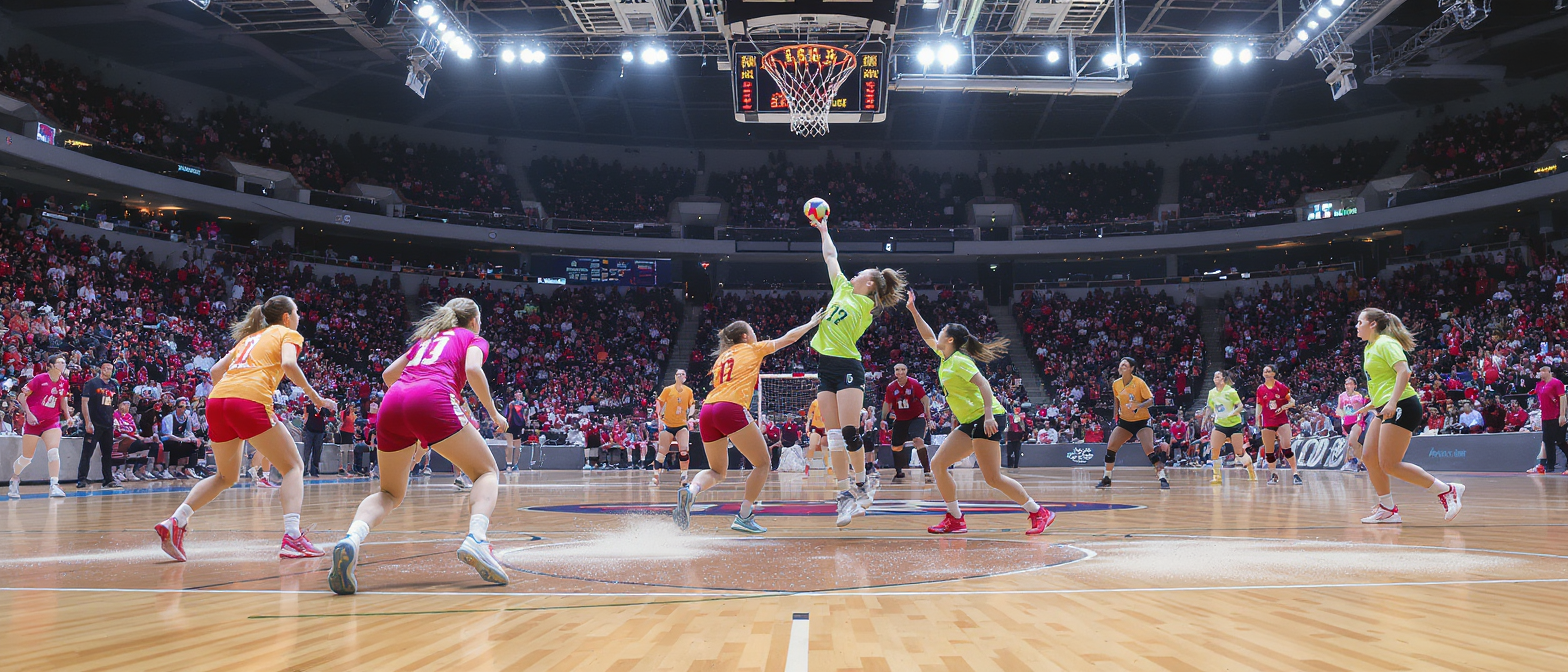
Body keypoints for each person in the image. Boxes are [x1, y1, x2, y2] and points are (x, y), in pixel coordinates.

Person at [329, 298, 510, 594]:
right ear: (474, 320)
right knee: (486, 472)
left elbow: (388, 375)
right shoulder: (473, 338)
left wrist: (416, 427)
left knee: (389, 492)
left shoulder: (427, 339)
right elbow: (474, 370)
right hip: (433, 396)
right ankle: (477, 539)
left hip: (394, 400)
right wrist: (493, 412)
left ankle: (352, 538)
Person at [154, 296, 338, 562]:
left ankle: (176, 520)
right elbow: (288, 365)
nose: (300, 317)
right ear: (286, 317)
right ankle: (292, 537)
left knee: (225, 477)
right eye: (297, 312)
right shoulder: (288, 333)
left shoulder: (249, 339)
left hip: (217, 402)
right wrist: (317, 399)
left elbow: (217, 371)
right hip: (248, 402)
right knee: (294, 467)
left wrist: (232, 400)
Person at [907, 294, 1053, 536]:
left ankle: (1039, 512)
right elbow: (927, 335)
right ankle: (955, 519)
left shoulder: (960, 361)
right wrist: (913, 310)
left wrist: (987, 416)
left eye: (943, 331)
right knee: (938, 464)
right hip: (969, 422)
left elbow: (984, 385)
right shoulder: (945, 357)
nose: (938, 334)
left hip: (987, 418)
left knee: (993, 478)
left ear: (950, 339)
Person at [672, 310, 823, 534]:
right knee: (763, 464)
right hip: (730, 407)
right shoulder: (753, 348)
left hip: (707, 409)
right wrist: (810, 324)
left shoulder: (722, 358)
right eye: (752, 331)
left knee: (717, 470)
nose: (755, 334)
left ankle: (692, 490)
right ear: (745, 336)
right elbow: (789, 339)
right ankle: (744, 516)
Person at [807, 217, 907, 527]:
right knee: (833, 437)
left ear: (870, 284)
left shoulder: (867, 306)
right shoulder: (840, 288)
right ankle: (843, 496)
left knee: (850, 431)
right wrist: (824, 231)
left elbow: (878, 290)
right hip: (826, 367)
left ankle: (865, 482)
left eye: (861, 273)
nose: (854, 274)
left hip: (849, 366)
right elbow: (831, 257)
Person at [1352, 308, 1464, 524]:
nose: (1357, 327)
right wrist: (1371, 405)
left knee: (1390, 464)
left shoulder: (1386, 343)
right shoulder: (1369, 347)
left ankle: (1447, 490)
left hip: (1402, 404)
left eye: (1360, 322)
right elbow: (1383, 382)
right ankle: (1387, 509)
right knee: (1368, 456)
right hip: (1383, 406)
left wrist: (1392, 402)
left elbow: (1404, 372)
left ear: (1372, 324)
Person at [1096, 357, 1168, 490]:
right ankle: (1107, 478)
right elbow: (1116, 402)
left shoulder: (1139, 383)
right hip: (1125, 422)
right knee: (1110, 449)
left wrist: (1138, 405)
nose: (1122, 366)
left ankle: (1162, 477)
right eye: (1121, 365)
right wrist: (1115, 418)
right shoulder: (1116, 384)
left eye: (1125, 365)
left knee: (1149, 451)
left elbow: (1151, 401)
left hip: (1142, 421)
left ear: (1132, 368)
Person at [11, 353, 74, 498]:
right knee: (27, 458)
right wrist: (29, 413)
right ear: (50, 365)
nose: (63, 365)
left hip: (52, 421)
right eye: (59, 363)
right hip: (34, 423)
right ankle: (14, 478)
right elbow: (21, 396)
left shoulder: (64, 382)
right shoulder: (39, 379)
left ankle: (54, 485)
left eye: (64, 363)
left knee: (53, 452)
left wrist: (68, 416)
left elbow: (63, 400)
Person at [881, 363, 931, 481]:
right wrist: (883, 419)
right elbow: (887, 403)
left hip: (916, 417)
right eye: (897, 370)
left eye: (903, 369)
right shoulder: (891, 387)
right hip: (900, 419)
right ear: (894, 372)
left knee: (918, 440)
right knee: (896, 447)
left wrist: (928, 418)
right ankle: (899, 472)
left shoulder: (914, 384)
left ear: (907, 371)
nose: (900, 372)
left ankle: (927, 471)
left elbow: (925, 400)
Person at [1203, 370, 1254, 485]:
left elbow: (1240, 406)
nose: (1215, 378)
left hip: (1234, 425)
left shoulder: (1231, 391)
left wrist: (1233, 413)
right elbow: (1209, 407)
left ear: (1223, 379)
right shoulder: (1211, 393)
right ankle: (1217, 476)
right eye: (1214, 376)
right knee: (1214, 450)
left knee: (1239, 452)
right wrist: (1205, 419)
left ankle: (1251, 471)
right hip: (1220, 425)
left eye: (1218, 376)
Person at [76, 361, 121, 489]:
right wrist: (87, 421)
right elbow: (84, 403)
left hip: (108, 424)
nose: (108, 370)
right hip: (94, 423)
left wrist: (115, 419)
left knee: (107, 453)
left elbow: (115, 404)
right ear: (101, 369)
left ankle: (108, 479)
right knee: (87, 452)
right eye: (105, 368)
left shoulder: (114, 385)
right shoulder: (91, 383)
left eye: (110, 369)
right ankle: (82, 479)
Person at [1256, 364, 1301, 486]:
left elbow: (1292, 402)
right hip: (1267, 422)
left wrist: (1284, 407)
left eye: (1268, 371)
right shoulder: (1260, 389)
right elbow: (1259, 405)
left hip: (1282, 421)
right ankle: (1273, 475)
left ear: (1274, 373)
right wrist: (1257, 419)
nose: (1265, 373)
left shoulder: (1281, 387)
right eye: (1264, 371)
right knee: (1269, 451)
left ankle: (1295, 474)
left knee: (1286, 448)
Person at [653, 369, 695, 486]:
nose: (680, 376)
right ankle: (656, 475)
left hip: (681, 425)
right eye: (678, 374)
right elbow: (659, 402)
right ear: (675, 376)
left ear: (685, 377)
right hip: (668, 425)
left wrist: (691, 416)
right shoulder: (667, 390)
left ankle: (684, 477)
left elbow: (692, 404)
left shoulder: (688, 391)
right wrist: (659, 418)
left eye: (682, 374)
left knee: (684, 450)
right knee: (662, 453)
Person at [1527, 365, 1567, 474]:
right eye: (1540, 372)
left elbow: (1562, 397)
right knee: (1547, 442)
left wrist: (1562, 415)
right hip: (1545, 417)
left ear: (1548, 372)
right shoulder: (1540, 385)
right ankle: (1550, 466)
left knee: (1560, 441)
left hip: (1556, 416)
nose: (1541, 374)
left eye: (1543, 371)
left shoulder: (1556, 383)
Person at [1337, 377, 1370, 472]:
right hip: (1346, 422)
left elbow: (1362, 410)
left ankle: (1361, 461)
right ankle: (1355, 462)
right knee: (1350, 444)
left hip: (1357, 421)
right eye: (1346, 384)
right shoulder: (1341, 396)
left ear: (1355, 386)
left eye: (1350, 384)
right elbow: (1339, 408)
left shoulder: (1359, 396)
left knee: (1352, 441)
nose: (1348, 386)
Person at [503, 391, 528, 471]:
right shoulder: (511, 404)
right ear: (514, 395)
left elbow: (526, 416)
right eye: (517, 393)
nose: (518, 395)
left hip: (519, 427)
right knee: (510, 446)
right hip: (510, 427)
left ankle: (515, 464)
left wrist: (524, 426)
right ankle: (508, 464)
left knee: (517, 447)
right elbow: (508, 415)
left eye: (520, 393)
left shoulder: (525, 405)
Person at [804, 399, 827, 477]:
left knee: (825, 448)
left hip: (826, 428)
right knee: (812, 446)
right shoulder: (815, 402)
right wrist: (807, 430)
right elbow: (809, 418)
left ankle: (828, 467)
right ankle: (807, 466)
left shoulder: (831, 402)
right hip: (816, 428)